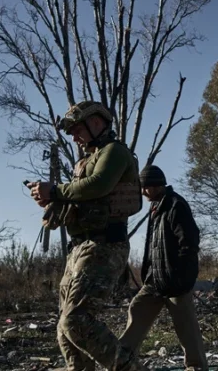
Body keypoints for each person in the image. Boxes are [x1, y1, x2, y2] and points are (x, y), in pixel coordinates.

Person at [27, 100, 146, 371]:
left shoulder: (114, 152)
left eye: (77, 129)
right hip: (80, 248)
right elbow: (81, 195)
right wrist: (51, 201)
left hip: (104, 246)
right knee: (64, 328)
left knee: (76, 321)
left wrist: (55, 191)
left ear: (96, 122)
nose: (74, 137)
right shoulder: (85, 161)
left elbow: (99, 185)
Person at [119, 165, 208, 371]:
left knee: (187, 331)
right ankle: (120, 361)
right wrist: (148, 274)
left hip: (176, 282)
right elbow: (154, 246)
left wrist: (183, 277)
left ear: (155, 185)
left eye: (145, 187)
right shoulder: (156, 207)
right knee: (137, 310)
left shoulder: (176, 205)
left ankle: (196, 367)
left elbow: (190, 243)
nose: (142, 192)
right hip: (154, 281)